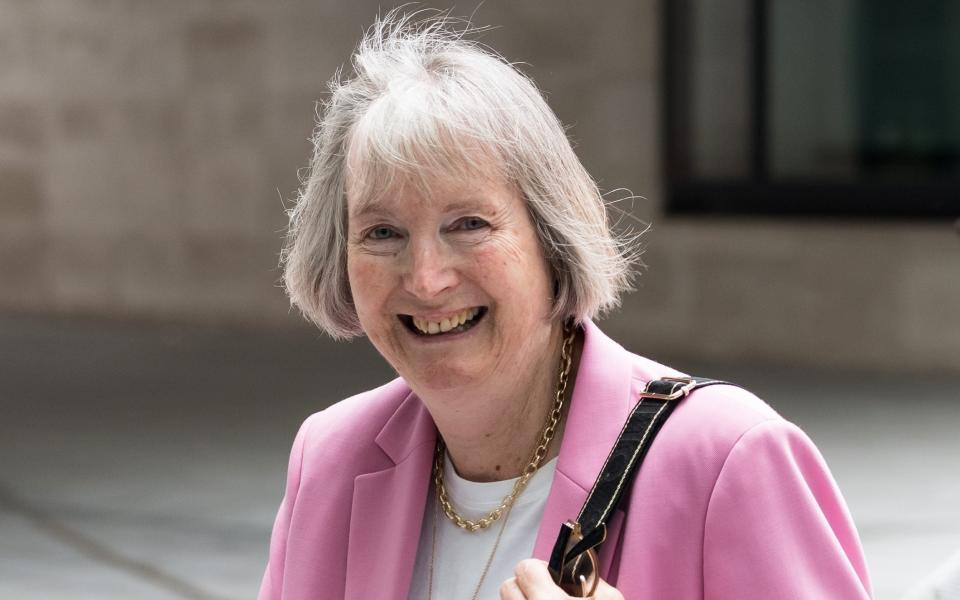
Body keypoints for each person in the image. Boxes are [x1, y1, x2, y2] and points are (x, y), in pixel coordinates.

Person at [260, 11, 873, 600]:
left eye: (469, 223)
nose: (426, 278)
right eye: (382, 233)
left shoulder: (728, 459)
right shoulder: (330, 458)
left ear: (550, 239)